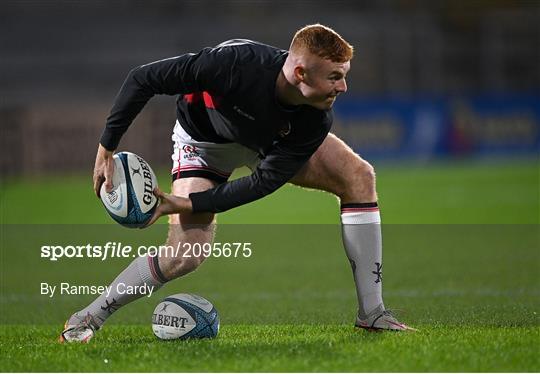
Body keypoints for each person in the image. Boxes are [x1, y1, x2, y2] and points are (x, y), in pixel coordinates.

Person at [60, 24, 414, 343]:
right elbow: (143, 79)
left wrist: (190, 204)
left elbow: (263, 182)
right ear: (301, 72)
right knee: (186, 255)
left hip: (266, 147)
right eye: (335, 77)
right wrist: (107, 147)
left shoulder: (315, 117)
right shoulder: (233, 65)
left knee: (359, 176)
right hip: (203, 145)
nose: (344, 86)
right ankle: (89, 316)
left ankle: (373, 314)